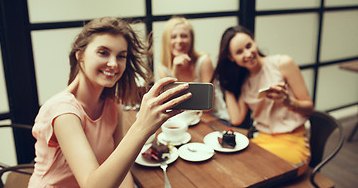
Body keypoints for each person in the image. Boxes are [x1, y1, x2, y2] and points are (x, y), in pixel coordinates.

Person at [28, 17, 192, 188]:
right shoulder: (63, 112)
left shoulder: (112, 104)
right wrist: (142, 126)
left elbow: (121, 163)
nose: (114, 64)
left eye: (121, 56)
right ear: (80, 55)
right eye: (103, 52)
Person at [212, 25, 314, 176]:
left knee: (255, 173)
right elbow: (236, 118)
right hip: (263, 139)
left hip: (293, 138)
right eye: (239, 52)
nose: (248, 54)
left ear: (254, 41)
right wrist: (226, 84)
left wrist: (288, 102)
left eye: (249, 46)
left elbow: (309, 107)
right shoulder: (245, 81)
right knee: (232, 168)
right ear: (231, 58)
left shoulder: (282, 63)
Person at [157, 16, 230, 120]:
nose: (179, 41)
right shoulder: (163, 68)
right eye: (173, 37)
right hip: (183, 119)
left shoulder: (204, 62)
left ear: (191, 39)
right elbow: (171, 106)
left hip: (213, 118)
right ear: (166, 41)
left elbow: (208, 108)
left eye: (184, 36)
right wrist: (175, 72)